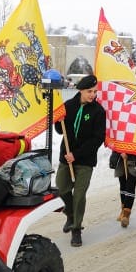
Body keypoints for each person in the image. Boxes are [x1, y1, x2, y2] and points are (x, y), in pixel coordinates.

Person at [54, 74, 106, 247]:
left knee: (79, 195)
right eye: (89, 91)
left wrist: (76, 154)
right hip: (66, 157)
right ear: (81, 91)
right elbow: (60, 131)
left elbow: (97, 139)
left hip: (85, 160)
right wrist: (58, 120)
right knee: (61, 188)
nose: (93, 95)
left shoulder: (98, 111)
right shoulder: (68, 106)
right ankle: (70, 214)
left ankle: (76, 229)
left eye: (95, 91)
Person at [109, 151, 136, 229]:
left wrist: (129, 153)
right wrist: (121, 152)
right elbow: (117, 140)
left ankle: (126, 215)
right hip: (120, 159)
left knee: (130, 186)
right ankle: (123, 210)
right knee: (123, 185)